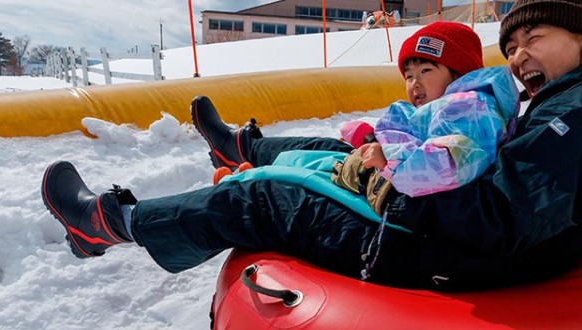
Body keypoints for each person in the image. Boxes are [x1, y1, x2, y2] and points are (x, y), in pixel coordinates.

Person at [41, 0, 582, 290]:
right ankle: (243, 144)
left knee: (260, 199)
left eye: (536, 37)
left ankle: (105, 223)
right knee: (334, 148)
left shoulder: (581, 113)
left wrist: (392, 188)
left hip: (446, 254)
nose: (522, 55)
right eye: (514, 43)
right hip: (466, 238)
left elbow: (501, 219)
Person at [210, 21, 519, 213]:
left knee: (316, 169)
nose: (415, 83)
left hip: (397, 190)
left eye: (426, 71)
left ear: (459, 74)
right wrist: (373, 138)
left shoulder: (472, 108)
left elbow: (448, 162)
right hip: (387, 173)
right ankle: (242, 154)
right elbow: (422, 138)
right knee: (319, 155)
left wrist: (387, 154)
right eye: (408, 75)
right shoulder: (445, 108)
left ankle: (244, 174)